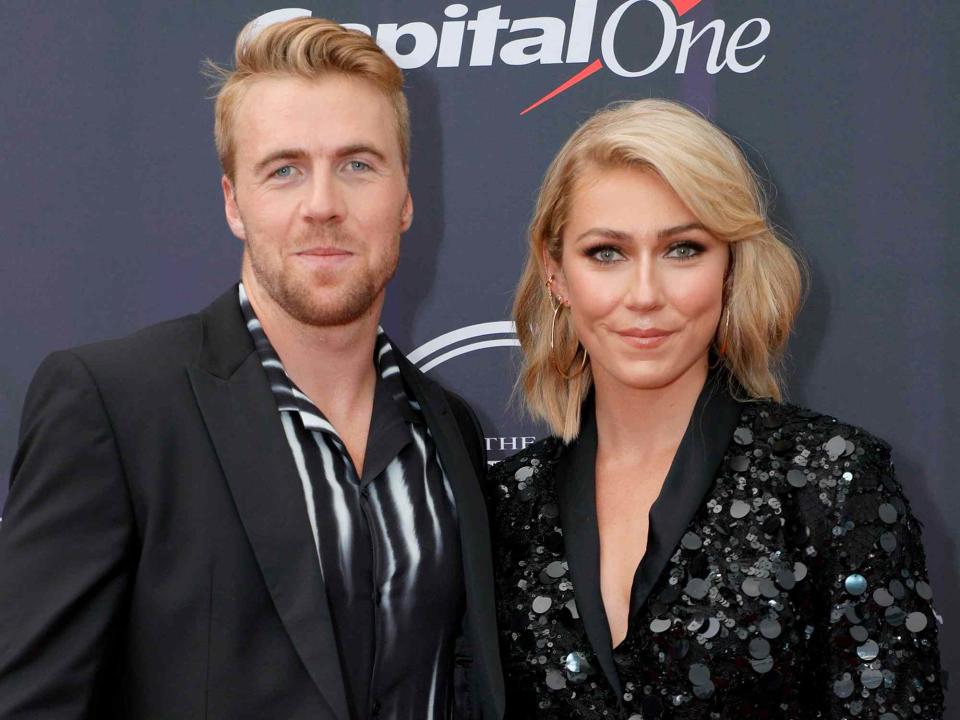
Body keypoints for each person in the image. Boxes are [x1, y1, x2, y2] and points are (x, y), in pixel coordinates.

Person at [0, 16, 503, 720]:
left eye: (358, 164)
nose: (323, 206)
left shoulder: (450, 433)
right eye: (284, 170)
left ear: (407, 197)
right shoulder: (113, 407)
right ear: (235, 202)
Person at [489, 99, 944, 718]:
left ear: (730, 268)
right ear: (555, 273)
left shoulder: (832, 484)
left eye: (682, 249)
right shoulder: (505, 505)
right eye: (606, 253)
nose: (645, 295)